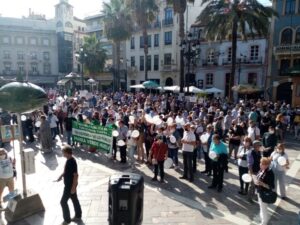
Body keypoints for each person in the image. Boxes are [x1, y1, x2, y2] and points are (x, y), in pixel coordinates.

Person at [56, 145, 82, 225]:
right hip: (69, 185)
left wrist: (73, 187)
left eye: (63, 153)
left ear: (67, 153)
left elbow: (75, 175)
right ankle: (78, 215)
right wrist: (61, 176)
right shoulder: (68, 160)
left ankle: (67, 220)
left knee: (63, 202)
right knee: (74, 199)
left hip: (69, 186)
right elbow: (66, 171)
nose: (63, 154)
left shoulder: (72, 162)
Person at [255, 157, 275, 225]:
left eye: (262, 164)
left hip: (264, 193)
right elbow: (258, 178)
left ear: (266, 165)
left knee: (263, 208)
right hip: (259, 191)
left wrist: (262, 184)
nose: (260, 164)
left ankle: (264, 222)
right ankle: (263, 220)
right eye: (260, 163)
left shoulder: (269, 172)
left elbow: (271, 186)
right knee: (261, 207)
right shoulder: (261, 170)